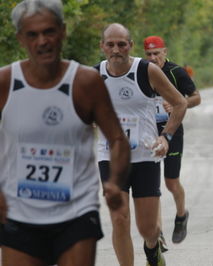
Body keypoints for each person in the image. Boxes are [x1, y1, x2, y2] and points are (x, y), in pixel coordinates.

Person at [0, 1, 130, 266]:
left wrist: (115, 181)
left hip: (77, 211)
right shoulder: (5, 82)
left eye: (49, 32)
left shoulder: (85, 82)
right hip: (19, 211)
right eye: (32, 35)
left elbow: (117, 138)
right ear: (20, 39)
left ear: (63, 31)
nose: (42, 42)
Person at [96, 24, 187, 266]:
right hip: (110, 157)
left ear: (130, 46)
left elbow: (179, 104)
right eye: (111, 44)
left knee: (148, 228)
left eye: (121, 44)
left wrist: (166, 137)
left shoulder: (146, 71)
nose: (116, 50)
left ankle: (152, 247)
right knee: (119, 219)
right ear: (102, 46)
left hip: (145, 156)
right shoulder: (93, 76)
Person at [143, 36, 201, 246]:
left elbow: (196, 97)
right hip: (149, 134)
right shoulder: (141, 72)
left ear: (165, 52)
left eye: (156, 53)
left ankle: (181, 215)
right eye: (148, 54)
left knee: (170, 182)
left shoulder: (176, 72)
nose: (153, 58)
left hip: (173, 132)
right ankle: (157, 232)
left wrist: (179, 103)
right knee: (151, 184)